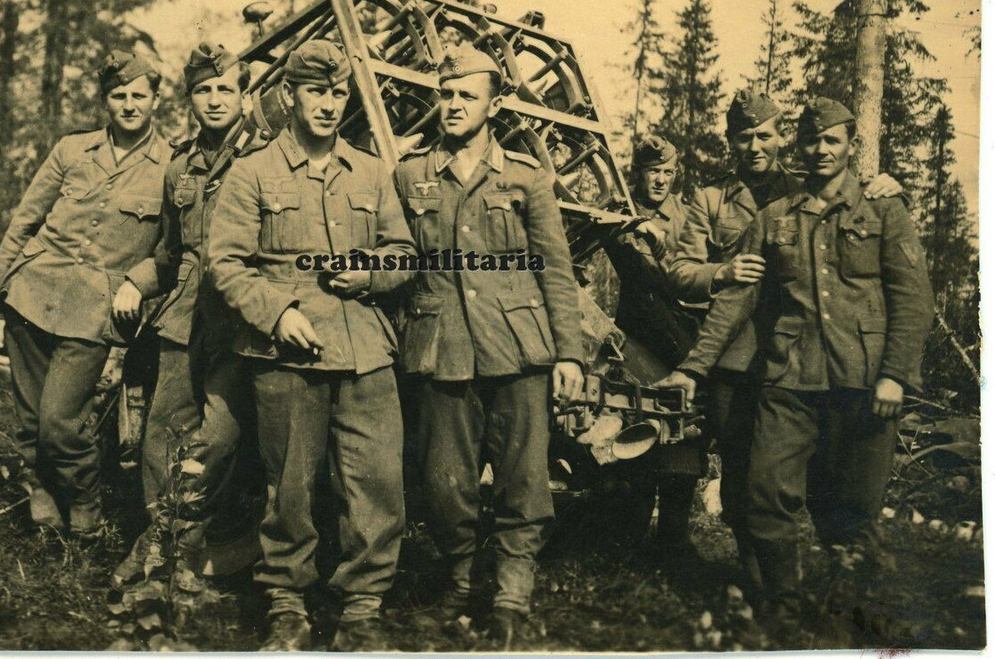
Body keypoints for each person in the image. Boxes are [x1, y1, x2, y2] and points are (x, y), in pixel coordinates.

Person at [659, 97, 934, 632]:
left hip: (863, 380)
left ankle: (848, 606)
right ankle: (781, 608)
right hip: (790, 377)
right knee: (765, 493)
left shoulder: (883, 209)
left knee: (853, 506)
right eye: (812, 141)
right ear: (800, 146)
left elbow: (913, 299)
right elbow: (734, 302)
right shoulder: (774, 216)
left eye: (832, 140)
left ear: (851, 145)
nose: (821, 150)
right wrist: (692, 368)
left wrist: (896, 375)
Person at [207, 40, 416, 652]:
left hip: (366, 349)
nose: (328, 104)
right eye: (315, 91)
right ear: (289, 96)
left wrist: (371, 272)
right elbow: (227, 263)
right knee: (289, 484)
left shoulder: (372, 171)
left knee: (376, 480)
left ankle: (363, 606)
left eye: (338, 92)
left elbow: (403, 253)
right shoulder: (252, 172)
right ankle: (286, 601)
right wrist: (278, 313)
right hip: (287, 352)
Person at [393, 46, 585, 648]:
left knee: (522, 482)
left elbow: (557, 270)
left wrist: (570, 354)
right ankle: (457, 581)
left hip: (517, 351)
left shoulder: (527, 176)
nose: (452, 105)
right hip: (441, 348)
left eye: (466, 95)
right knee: (445, 484)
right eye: (445, 94)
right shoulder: (409, 174)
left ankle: (510, 593)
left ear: (494, 104)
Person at [0, 51, 168, 537]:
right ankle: (37, 488)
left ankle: (84, 499)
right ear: (105, 101)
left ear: (156, 100)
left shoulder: (170, 165)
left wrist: (137, 282)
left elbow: (173, 247)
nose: (128, 105)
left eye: (138, 96)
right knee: (28, 416)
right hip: (30, 292)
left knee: (60, 421)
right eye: (118, 96)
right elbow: (24, 222)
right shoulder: (71, 150)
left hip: (95, 309)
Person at [114, 42, 261, 583]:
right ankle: (162, 548)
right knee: (161, 436)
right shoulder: (181, 164)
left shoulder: (266, 159)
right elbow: (169, 253)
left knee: (218, 439)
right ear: (190, 100)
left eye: (226, 89)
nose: (215, 99)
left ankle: (184, 543)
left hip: (241, 321)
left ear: (245, 97)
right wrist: (135, 279)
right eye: (203, 90)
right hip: (182, 318)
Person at [606, 135, 702, 555]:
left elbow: (692, 266)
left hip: (680, 333)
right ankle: (629, 536)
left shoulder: (685, 213)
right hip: (637, 335)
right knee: (636, 422)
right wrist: (632, 223)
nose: (660, 180)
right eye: (652, 172)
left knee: (684, 428)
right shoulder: (620, 209)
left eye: (667, 172)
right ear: (638, 173)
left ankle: (673, 539)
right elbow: (606, 231)